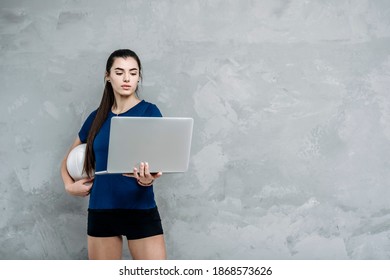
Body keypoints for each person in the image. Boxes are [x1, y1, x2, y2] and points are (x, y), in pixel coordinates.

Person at [60, 49, 166, 260]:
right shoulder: (96, 117)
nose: (127, 78)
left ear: (138, 77)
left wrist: (148, 180)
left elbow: (158, 163)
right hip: (101, 209)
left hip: (140, 208)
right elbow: (67, 159)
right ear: (108, 76)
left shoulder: (150, 112)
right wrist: (69, 186)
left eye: (133, 73)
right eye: (119, 72)